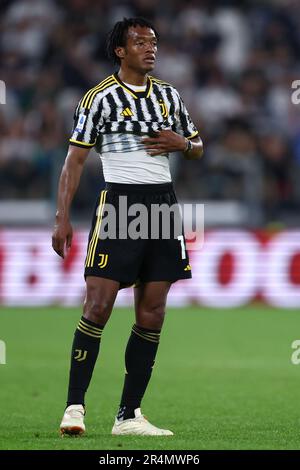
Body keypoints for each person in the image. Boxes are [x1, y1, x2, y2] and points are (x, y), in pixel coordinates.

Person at [52, 17, 203, 437]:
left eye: (153, 42)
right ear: (120, 50)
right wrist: (61, 216)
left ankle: (129, 416)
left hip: (162, 208)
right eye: (140, 42)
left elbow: (197, 145)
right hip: (120, 205)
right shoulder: (98, 98)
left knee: (152, 312)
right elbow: (74, 161)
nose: (150, 48)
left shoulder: (170, 96)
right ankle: (74, 407)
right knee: (97, 306)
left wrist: (184, 145)